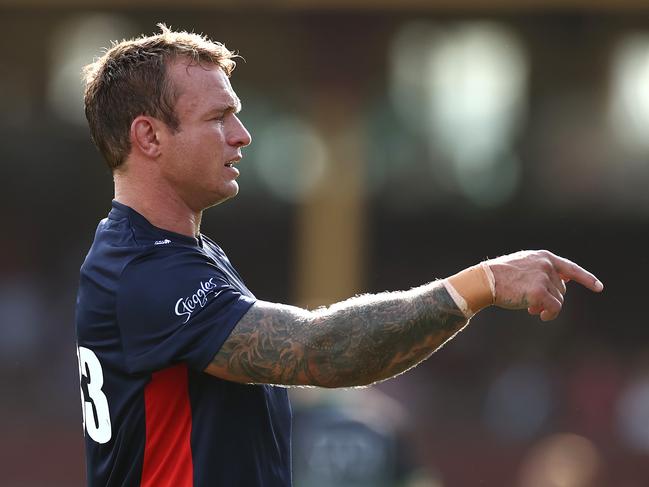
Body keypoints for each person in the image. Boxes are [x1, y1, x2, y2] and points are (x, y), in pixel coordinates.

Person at [75, 24, 604, 487]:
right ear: (148, 136)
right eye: (218, 118)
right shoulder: (143, 271)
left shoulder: (169, 255)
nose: (242, 135)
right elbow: (319, 351)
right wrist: (482, 284)